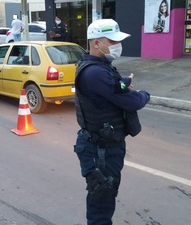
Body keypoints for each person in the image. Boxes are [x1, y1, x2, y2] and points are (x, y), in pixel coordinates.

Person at [74, 19, 150, 225]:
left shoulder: (98, 66)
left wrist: (123, 82)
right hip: (101, 150)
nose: (117, 45)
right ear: (97, 43)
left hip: (103, 146)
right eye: (112, 41)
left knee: (104, 197)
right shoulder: (96, 72)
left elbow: (113, 88)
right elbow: (132, 101)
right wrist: (144, 94)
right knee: (102, 204)